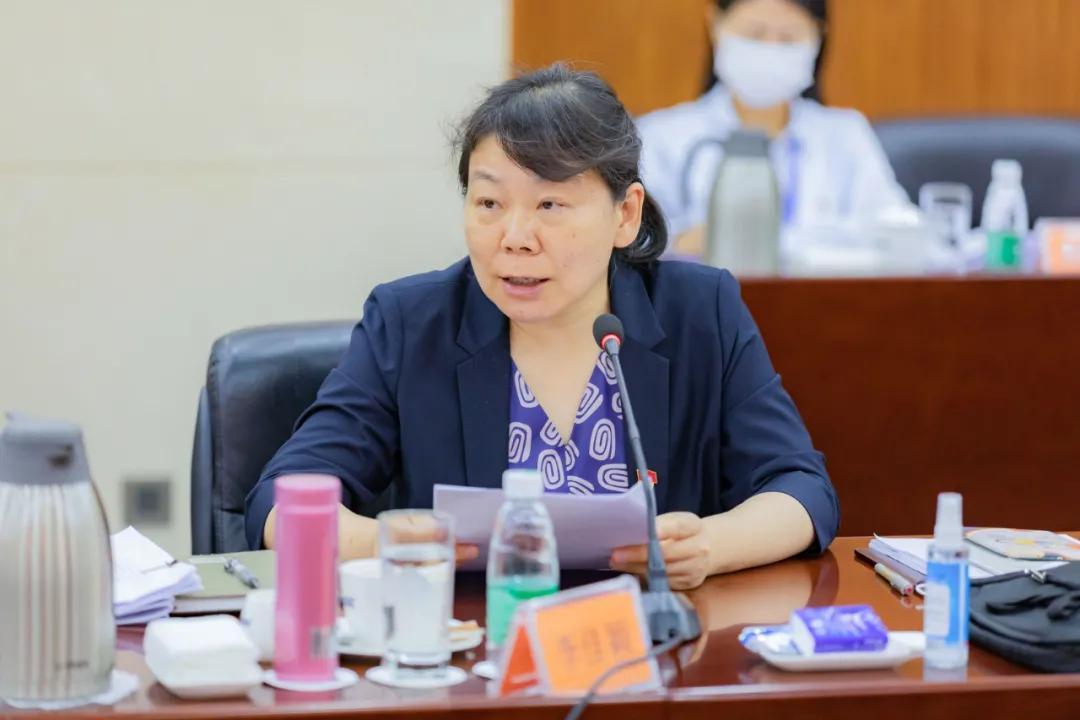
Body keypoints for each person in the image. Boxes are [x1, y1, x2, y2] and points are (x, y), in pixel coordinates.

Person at [244, 64, 839, 590]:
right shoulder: (410, 322)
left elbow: (801, 489)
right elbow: (280, 501)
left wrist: (710, 546)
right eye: (489, 204)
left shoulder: (699, 311)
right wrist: (391, 544)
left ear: (625, 214)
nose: (515, 237)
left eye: (550, 205)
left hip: (656, 649)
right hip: (473, 651)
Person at [637, 0, 911, 256]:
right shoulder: (660, 136)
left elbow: (898, 231)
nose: (770, 49)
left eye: (789, 38)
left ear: (819, 37)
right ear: (715, 25)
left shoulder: (846, 134)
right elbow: (632, 242)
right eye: (754, 34)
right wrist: (680, 242)